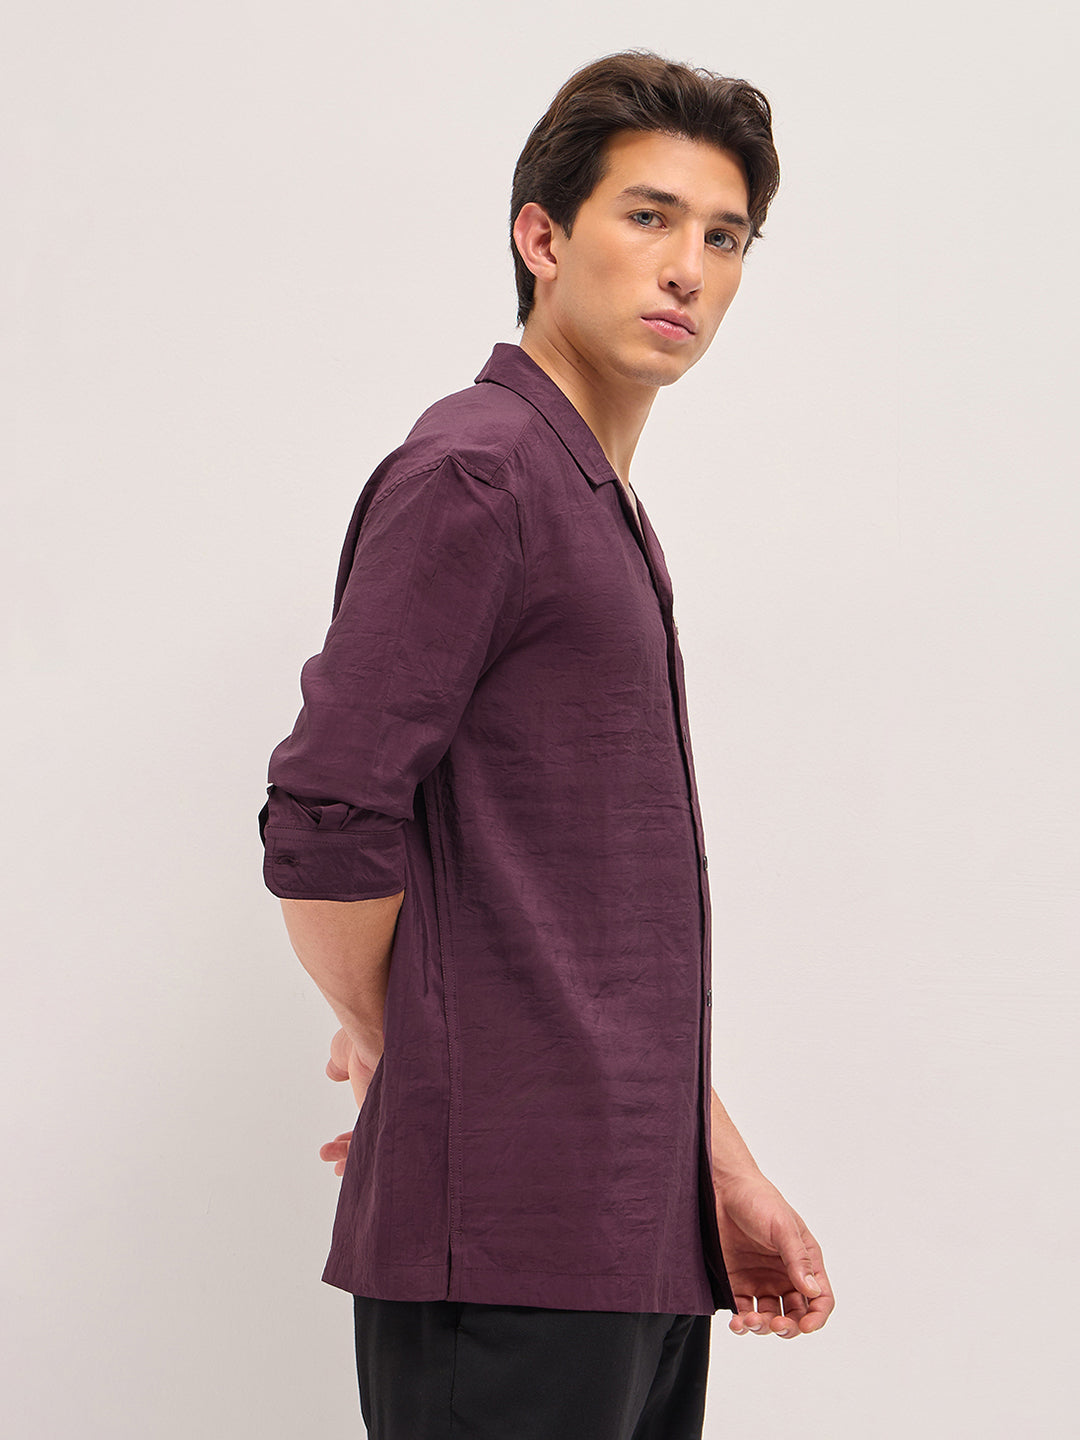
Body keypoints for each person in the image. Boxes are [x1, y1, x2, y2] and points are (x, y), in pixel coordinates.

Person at [259, 48, 835, 1440]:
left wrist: (719, 1169)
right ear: (542, 236)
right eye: (648, 216)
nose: (688, 267)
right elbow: (325, 819)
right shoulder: (482, 472)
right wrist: (406, 1041)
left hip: (631, 1239)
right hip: (510, 1251)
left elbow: (590, 934)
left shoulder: (593, 501)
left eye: (724, 237)